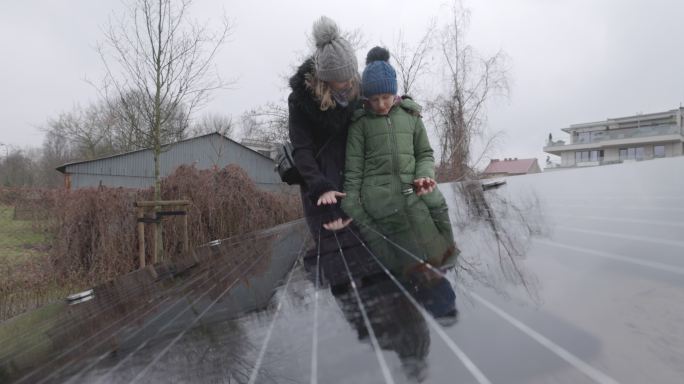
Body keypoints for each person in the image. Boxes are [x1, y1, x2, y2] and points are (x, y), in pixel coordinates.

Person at [340, 47, 457, 276]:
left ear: (394, 93)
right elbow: (353, 175)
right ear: (366, 98)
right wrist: (355, 209)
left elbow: (424, 153)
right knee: (405, 279)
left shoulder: (411, 116)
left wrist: (425, 176)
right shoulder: (360, 124)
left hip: (417, 204)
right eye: (374, 99)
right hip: (382, 215)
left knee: (438, 269)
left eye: (385, 97)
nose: (381, 104)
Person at [287, 16, 360, 245]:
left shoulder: (358, 91)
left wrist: (400, 104)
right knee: (333, 262)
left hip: (354, 190)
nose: (349, 82)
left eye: (351, 75)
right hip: (321, 192)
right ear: (325, 79)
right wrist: (320, 188)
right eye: (341, 79)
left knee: (366, 261)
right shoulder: (301, 101)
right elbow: (302, 150)